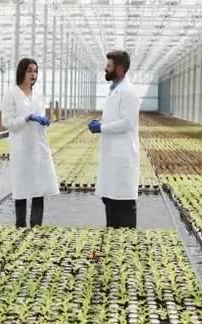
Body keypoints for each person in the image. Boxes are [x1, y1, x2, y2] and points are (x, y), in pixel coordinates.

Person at [1, 58, 59, 228]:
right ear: (21, 72)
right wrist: (26, 118)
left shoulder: (39, 94)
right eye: (29, 71)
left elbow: (41, 115)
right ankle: (20, 226)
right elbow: (7, 122)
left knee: (39, 187)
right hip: (21, 146)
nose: (33, 75)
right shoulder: (12, 94)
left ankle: (36, 228)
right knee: (21, 187)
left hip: (38, 145)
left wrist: (45, 121)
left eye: (35, 71)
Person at [88, 50, 140, 228]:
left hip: (122, 159)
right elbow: (116, 119)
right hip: (112, 157)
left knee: (123, 207)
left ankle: (127, 249)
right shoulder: (115, 90)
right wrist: (101, 122)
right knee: (110, 203)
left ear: (119, 69)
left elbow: (127, 123)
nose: (105, 68)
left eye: (109, 66)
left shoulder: (129, 92)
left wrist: (101, 127)